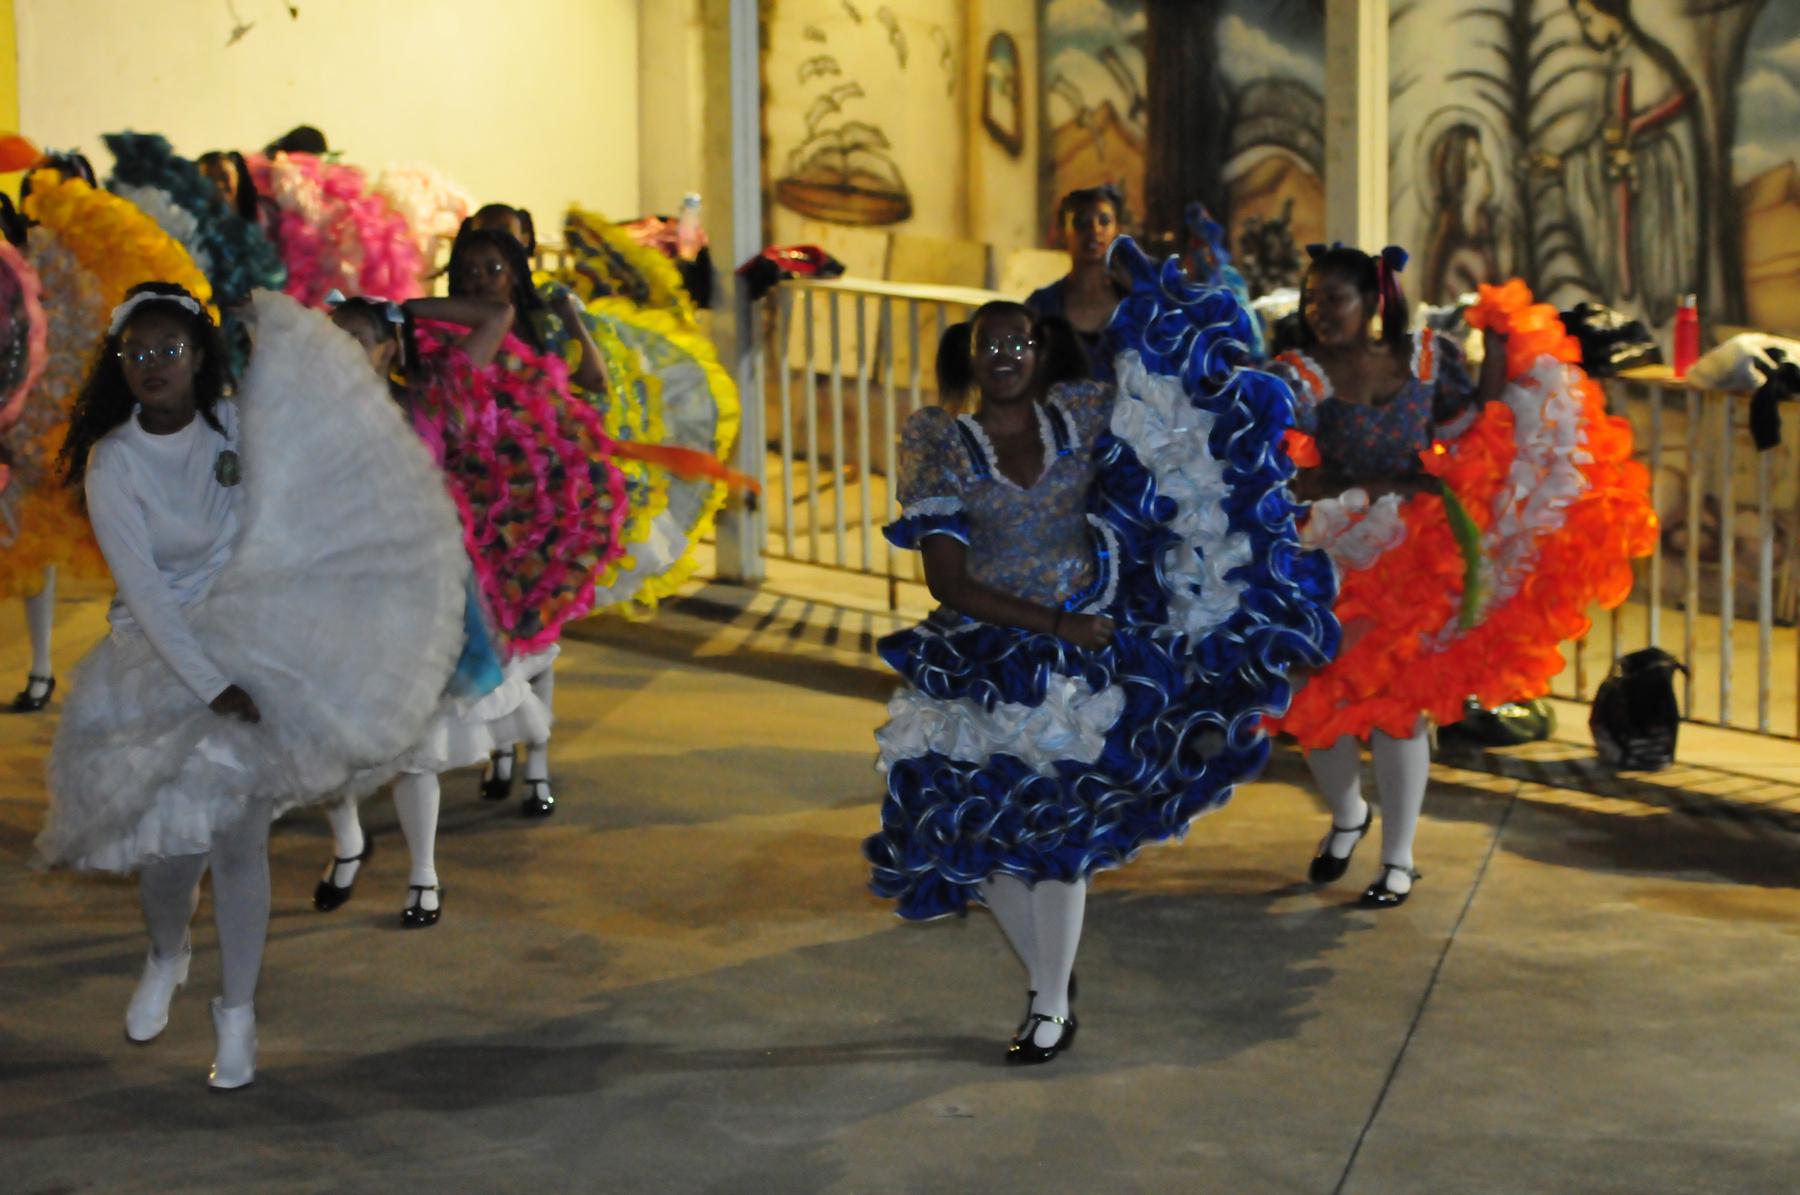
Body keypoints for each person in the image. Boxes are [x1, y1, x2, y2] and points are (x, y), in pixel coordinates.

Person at [866, 248, 1336, 1065]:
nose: (1006, 356)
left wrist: (1164, 305)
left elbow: (1165, 403)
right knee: (972, 841)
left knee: (1060, 834)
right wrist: (1051, 620)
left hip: (1085, 664)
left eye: (1019, 343)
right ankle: (1053, 976)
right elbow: (948, 581)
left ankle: (1048, 1001)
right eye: (989, 344)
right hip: (986, 659)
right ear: (968, 356)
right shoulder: (941, 442)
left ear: (1041, 353)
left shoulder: (1080, 414)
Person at [36, 283, 466, 1087]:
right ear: (118, 362)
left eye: (170, 349)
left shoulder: (236, 424)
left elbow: (312, 480)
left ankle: (236, 1015)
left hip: (255, 634)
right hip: (159, 657)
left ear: (199, 356)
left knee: (237, 835)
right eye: (138, 352)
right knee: (171, 856)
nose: (153, 365)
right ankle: (169, 952)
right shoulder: (114, 461)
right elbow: (150, 595)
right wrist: (209, 684)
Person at [1266, 244, 1654, 906]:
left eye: (1333, 297)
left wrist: (1499, 346)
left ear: (1375, 301)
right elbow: (1291, 471)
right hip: (1332, 554)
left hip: (1417, 555)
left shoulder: (1427, 357)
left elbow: (1474, 422)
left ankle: (1398, 858)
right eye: (1311, 299)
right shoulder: (1294, 374)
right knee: (1314, 705)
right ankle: (1349, 814)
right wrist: (1379, 479)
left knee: (1401, 708)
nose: (1317, 311)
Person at [312, 293, 552, 926]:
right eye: (332, 336)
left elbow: (494, 314)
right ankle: (348, 846)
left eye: (359, 337)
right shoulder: (302, 418)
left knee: (417, 743)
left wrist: (408, 308)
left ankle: (424, 875)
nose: (343, 349)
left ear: (388, 347)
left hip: (419, 593)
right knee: (324, 737)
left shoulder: (428, 399)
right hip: (333, 594)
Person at [445, 227, 621, 813]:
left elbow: (593, 383)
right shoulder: (444, 338)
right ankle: (501, 749)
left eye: (491, 269)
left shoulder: (538, 332)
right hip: (469, 509)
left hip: (536, 510)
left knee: (537, 641)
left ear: (515, 273)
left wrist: (571, 322)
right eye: (468, 271)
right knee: (493, 637)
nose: (479, 281)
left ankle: (537, 762)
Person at [1024, 184, 1129, 382]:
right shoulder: (1041, 306)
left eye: (1104, 221)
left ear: (1117, 231)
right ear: (1063, 231)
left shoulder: (1135, 305)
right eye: (1082, 222)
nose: (1094, 230)